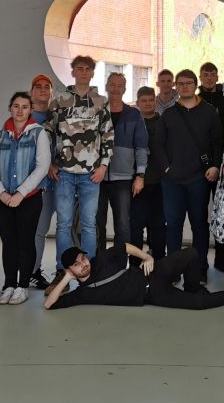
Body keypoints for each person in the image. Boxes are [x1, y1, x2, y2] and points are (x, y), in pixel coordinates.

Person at [43, 244, 224, 310]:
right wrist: (66, 278)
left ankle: (193, 287)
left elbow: (124, 246)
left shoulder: (100, 260)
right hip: (153, 294)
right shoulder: (81, 294)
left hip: (151, 272)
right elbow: (48, 304)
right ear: (71, 270)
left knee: (192, 254)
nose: (83, 264)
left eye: (83, 258)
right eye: (77, 264)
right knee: (199, 305)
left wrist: (146, 257)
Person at [0, 91, 52, 305]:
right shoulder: (1, 135)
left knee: (25, 241)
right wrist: (2, 193)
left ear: (30, 110)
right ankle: (9, 284)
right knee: (8, 242)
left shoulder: (38, 134)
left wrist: (21, 193)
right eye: (16, 106)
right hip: (4, 199)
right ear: (10, 108)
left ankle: (22, 286)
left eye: (25, 107)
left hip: (29, 199)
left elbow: (42, 167)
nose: (20, 110)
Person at [50, 56, 113, 264]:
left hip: (91, 174)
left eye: (87, 69)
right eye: (79, 68)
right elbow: (47, 132)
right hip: (64, 173)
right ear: (73, 72)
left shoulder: (101, 102)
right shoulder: (60, 100)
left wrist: (103, 166)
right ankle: (63, 269)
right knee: (63, 224)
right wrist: (49, 163)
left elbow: (108, 135)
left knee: (88, 225)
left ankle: (89, 270)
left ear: (93, 72)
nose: (83, 72)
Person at [160, 69, 223, 274]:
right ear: (175, 87)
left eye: (188, 83)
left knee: (199, 224)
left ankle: (199, 268)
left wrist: (215, 165)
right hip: (173, 180)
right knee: (173, 225)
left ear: (196, 85)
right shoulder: (168, 113)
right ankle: (173, 269)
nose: (185, 86)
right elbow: (158, 145)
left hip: (199, 178)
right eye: (181, 83)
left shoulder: (209, 111)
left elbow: (218, 142)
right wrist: (167, 167)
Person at [96, 72, 147, 251]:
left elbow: (141, 146)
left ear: (125, 89)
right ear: (106, 87)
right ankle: (99, 262)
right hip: (96, 177)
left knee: (123, 225)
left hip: (123, 179)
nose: (116, 89)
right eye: (112, 84)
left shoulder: (134, 114)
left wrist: (140, 175)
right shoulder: (97, 112)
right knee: (96, 223)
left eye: (120, 86)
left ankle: (119, 263)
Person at [197, 62, 224, 271]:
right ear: (200, 78)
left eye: (212, 74)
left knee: (222, 212)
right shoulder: (195, 101)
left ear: (217, 77)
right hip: (199, 166)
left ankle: (220, 253)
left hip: (223, 164)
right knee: (200, 213)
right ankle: (200, 259)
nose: (209, 78)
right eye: (206, 74)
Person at [130, 86, 168, 259]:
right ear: (137, 103)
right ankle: (135, 263)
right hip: (136, 182)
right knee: (135, 225)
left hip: (159, 182)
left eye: (151, 100)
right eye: (143, 100)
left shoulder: (164, 123)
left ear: (156, 101)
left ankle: (159, 261)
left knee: (158, 225)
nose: (147, 103)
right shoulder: (132, 123)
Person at [29, 73, 58, 290]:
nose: (42, 90)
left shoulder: (59, 116)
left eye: (46, 86)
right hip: (38, 185)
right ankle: (32, 271)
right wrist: (46, 165)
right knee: (38, 230)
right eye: (38, 86)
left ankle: (63, 271)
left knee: (64, 229)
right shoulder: (26, 118)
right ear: (31, 91)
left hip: (61, 182)